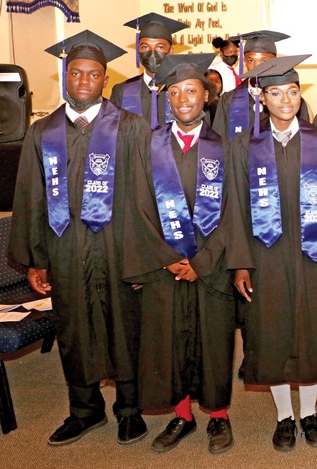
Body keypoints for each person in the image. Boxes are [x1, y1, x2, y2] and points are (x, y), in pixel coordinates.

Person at [9, 31, 149, 446]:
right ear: (65, 77)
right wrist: (36, 258)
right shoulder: (43, 132)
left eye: (93, 74)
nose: (84, 80)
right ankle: (84, 411)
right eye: (76, 73)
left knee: (125, 326)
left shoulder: (131, 127)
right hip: (64, 249)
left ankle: (129, 410)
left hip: (116, 247)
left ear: (104, 80)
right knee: (73, 329)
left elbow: (146, 197)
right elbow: (30, 197)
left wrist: (142, 258)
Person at [221, 55, 317, 451]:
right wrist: (240, 263)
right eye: (275, 93)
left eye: (291, 91)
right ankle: (284, 417)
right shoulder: (245, 145)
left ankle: (309, 413)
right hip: (264, 254)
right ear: (262, 99)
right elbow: (234, 206)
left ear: (299, 94)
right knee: (272, 334)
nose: (285, 99)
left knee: (309, 333)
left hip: (312, 253)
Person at [123, 53, 235, 454]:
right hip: (163, 264)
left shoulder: (224, 147)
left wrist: (202, 262)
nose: (184, 98)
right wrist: (167, 257)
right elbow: (136, 206)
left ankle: (218, 416)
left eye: (192, 90)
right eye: (175, 92)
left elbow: (232, 214)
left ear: (205, 96)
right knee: (168, 340)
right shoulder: (148, 145)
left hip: (211, 266)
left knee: (214, 340)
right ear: (166, 99)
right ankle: (183, 415)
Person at [211, 30, 311, 141]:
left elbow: (303, 142)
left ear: (275, 61)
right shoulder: (228, 100)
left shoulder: (291, 101)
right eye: (251, 60)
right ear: (244, 61)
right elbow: (219, 144)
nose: (257, 67)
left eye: (264, 61)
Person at [111, 12, 188, 130]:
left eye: (160, 47)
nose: (152, 52)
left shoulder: (185, 89)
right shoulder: (122, 91)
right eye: (145, 47)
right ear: (138, 51)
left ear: (171, 51)